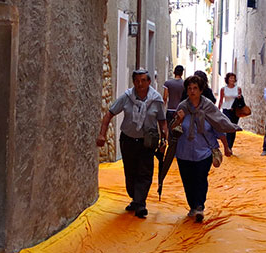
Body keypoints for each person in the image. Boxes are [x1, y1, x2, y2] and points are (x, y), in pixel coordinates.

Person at [97, 68, 167, 218]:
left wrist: (164, 139)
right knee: (130, 172)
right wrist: (102, 134)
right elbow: (109, 114)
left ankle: (140, 203)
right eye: (137, 81)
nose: (140, 84)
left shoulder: (156, 100)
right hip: (128, 140)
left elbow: (162, 121)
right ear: (133, 82)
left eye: (143, 80)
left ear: (149, 82)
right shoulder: (127, 97)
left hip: (147, 142)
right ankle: (135, 198)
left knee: (145, 172)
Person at [171, 75, 237, 221]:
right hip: (184, 152)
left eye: (195, 88)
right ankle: (193, 206)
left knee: (201, 178)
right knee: (188, 180)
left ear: (201, 90)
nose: (192, 91)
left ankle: (199, 206)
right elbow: (173, 129)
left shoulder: (208, 107)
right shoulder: (182, 107)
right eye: (189, 88)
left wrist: (226, 147)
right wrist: (179, 120)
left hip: (204, 151)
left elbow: (218, 126)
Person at [218, 71, 243, 154]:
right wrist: (218, 111)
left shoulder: (238, 89)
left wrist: (239, 97)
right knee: (228, 127)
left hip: (235, 111)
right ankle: (227, 146)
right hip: (226, 109)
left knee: (233, 128)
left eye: (233, 78)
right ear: (227, 79)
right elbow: (221, 100)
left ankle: (230, 146)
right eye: (230, 78)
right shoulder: (223, 89)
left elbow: (240, 100)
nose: (232, 79)